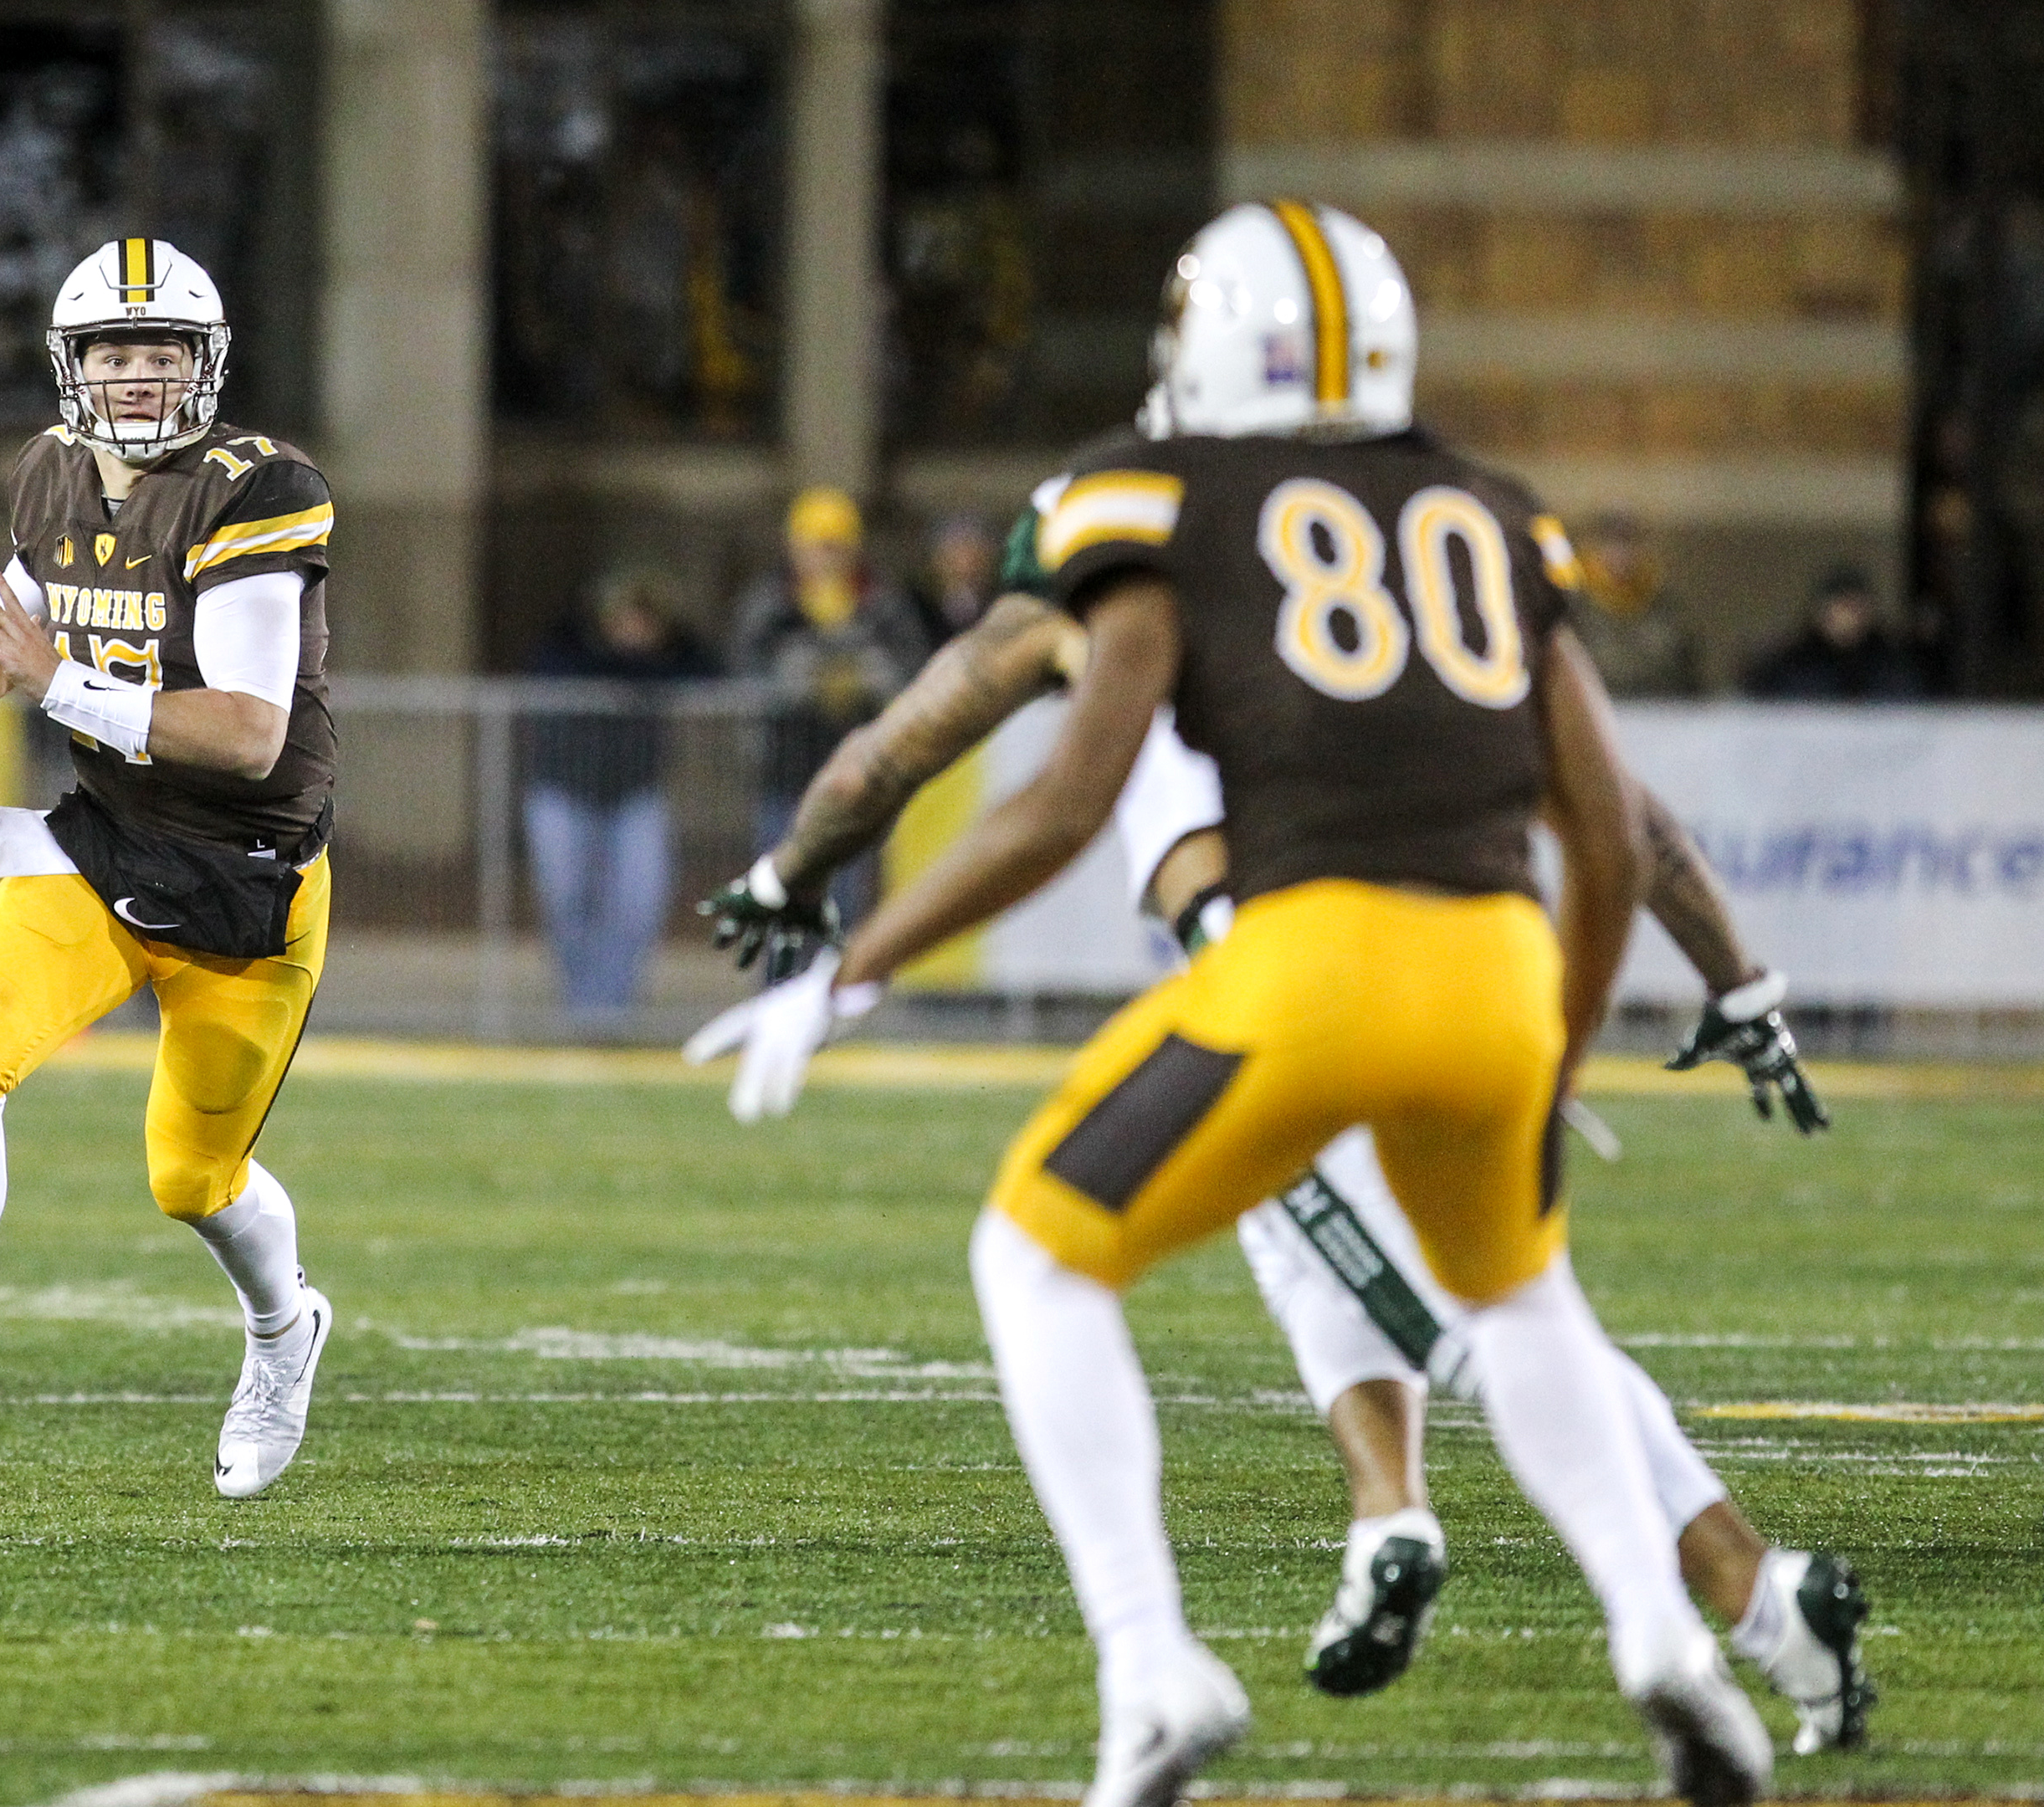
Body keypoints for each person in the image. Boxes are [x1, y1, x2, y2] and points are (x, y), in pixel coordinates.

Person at [690, 202, 1780, 1807]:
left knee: (1034, 1257)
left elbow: (1065, 805)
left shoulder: (1167, 503)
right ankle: (1663, 1641)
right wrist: (1558, 1038)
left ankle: (1151, 1670)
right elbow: (1611, 834)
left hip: (1312, 959)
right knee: (1525, 1307)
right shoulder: (1490, 509)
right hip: (1495, 968)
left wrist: (848, 971)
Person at [0, 238, 341, 1505]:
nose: (137, 377)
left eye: (161, 351)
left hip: (243, 873)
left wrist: (61, 681)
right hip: (106, 847)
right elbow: (6, 653)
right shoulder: (51, 473)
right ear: (72, 364)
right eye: (115, 351)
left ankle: (284, 1336)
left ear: (203, 364)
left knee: (191, 1181)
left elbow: (247, 731)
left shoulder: (256, 486)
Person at [522, 567, 717, 1026]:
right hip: (564, 793)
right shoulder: (569, 647)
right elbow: (550, 669)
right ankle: (584, 1006)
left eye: (643, 619)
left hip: (633, 798)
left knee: (638, 903)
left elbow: (707, 670)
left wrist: (660, 650)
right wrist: (627, 661)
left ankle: (608, 1012)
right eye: (624, 616)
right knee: (566, 900)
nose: (632, 628)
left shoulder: (666, 659)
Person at [730, 487, 930, 929]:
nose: (824, 559)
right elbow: (746, 671)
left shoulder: (881, 604)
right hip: (785, 772)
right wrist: (796, 679)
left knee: (842, 900)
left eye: (834, 547)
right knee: (779, 889)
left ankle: (831, 988)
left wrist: (870, 677)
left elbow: (913, 669)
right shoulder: (771, 603)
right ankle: (780, 990)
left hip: (854, 776)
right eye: (814, 548)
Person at [1570, 511, 1704, 699]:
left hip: (1660, 711)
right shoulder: (1575, 605)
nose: (1620, 554)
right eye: (1610, 543)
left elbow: (1687, 668)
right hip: (1599, 708)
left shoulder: (1663, 603)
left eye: (1629, 542)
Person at [1742, 566, 1923, 700]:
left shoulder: (1891, 663)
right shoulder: (1790, 664)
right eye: (1839, 608)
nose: (1847, 618)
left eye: (1854, 609)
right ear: (1819, 612)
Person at [912, 511, 1000, 645]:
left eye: (976, 555)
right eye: (957, 555)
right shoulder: (915, 613)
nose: (968, 565)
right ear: (936, 563)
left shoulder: (999, 606)